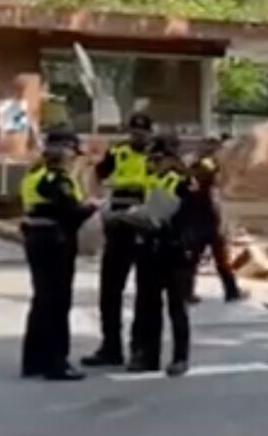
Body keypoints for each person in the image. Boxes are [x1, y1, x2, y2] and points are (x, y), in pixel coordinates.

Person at [19, 129, 96, 381]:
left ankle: (34, 360)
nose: (75, 159)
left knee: (41, 300)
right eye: (73, 153)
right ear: (64, 152)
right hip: (55, 241)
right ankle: (56, 362)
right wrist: (92, 208)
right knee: (57, 302)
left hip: (36, 238)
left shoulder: (34, 173)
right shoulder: (56, 179)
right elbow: (69, 213)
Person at [81, 113, 154, 368]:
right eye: (134, 132)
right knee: (110, 289)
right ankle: (110, 346)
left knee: (146, 292)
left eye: (142, 133)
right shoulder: (118, 152)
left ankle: (139, 349)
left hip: (146, 224)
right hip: (119, 222)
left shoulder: (156, 155)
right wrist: (97, 200)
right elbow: (97, 174)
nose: (138, 137)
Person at [127, 134, 195, 376]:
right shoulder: (152, 180)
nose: (153, 163)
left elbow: (191, 218)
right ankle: (146, 355)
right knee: (146, 305)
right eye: (151, 158)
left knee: (177, 306)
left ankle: (180, 357)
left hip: (174, 249)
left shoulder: (184, 182)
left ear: (170, 158)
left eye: (158, 158)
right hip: (149, 247)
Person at [184, 138, 246, 304]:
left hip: (197, 218)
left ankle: (187, 292)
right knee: (218, 259)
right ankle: (231, 291)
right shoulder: (206, 163)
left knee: (195, 259)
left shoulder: (190, 164)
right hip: (206, 218)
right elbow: (216, 176)